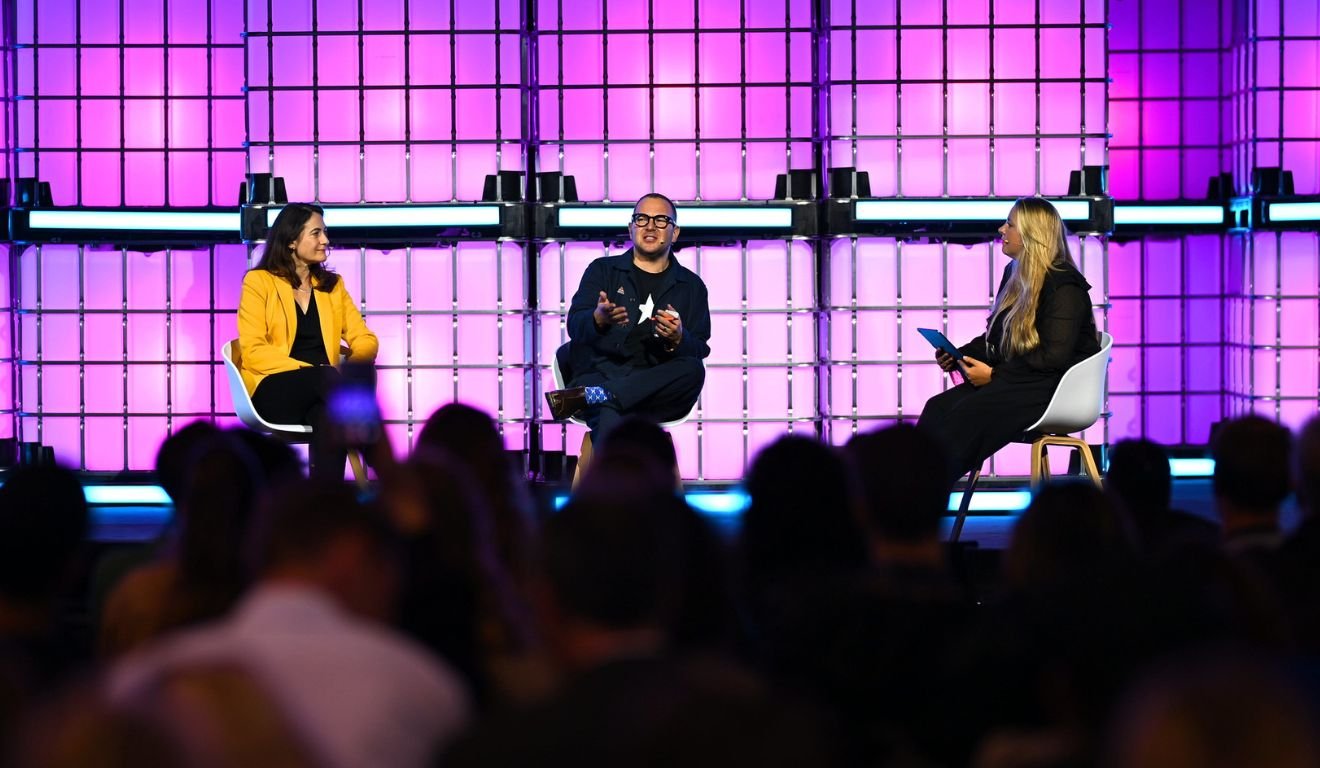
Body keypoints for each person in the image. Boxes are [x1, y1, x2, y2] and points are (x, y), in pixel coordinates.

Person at [917, 196, 1100, 484]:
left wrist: (995, 375)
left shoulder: (1066, 286)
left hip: (1052, 388)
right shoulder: (1015, 275)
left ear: (1032, 235)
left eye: (1010, 224)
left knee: (967, 414)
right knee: (937, 408)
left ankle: (925, 491)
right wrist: (959, 356)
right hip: (1020, 378)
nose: (1002, 229)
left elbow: (1054, 357)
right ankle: (912, 488)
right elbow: (998, 338)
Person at [544, 193, 710, 439]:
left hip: (658, 389)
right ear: (631, 228)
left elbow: (700, 348)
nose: (650, 226)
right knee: (610, 413)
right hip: (603, 373)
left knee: (693, 369)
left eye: (661, 220)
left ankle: (596, 394)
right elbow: (575, 327)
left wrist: (678, 338)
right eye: (642, 219)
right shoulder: (602, 270)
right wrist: (598, 319)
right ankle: (606, 397)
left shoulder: (692, 286)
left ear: (674, 232)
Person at [236, 202, 378, 479]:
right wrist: (317, 372)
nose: (325, 240)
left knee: (329, 416)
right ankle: (372, 446)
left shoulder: (332, 286)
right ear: (291, 241)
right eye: (316, 233)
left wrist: (352, 369)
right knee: (321, 379)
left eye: (325, 232)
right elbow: (253, 351)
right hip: (274, 388)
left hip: (327, 390)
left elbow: (364, 338)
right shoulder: (258, 282)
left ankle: (327, 504)